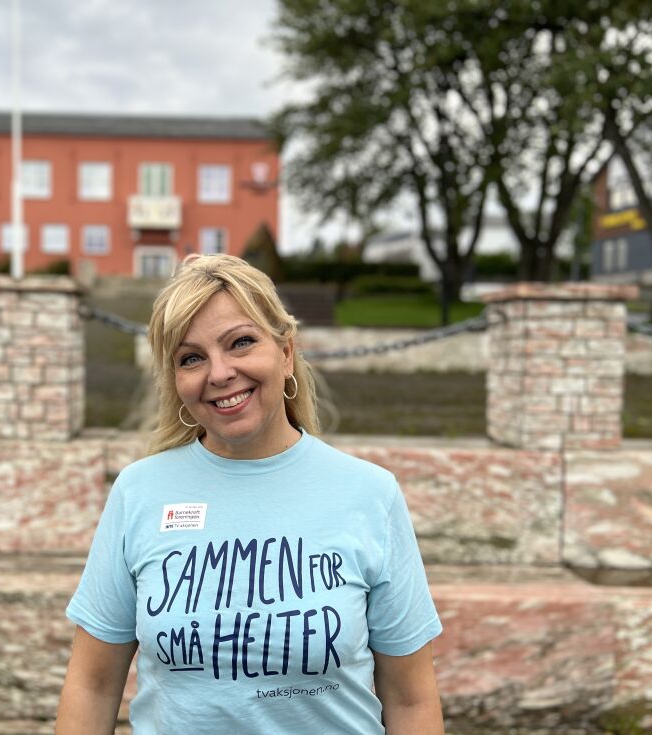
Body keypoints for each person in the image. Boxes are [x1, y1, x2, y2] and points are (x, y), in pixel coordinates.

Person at [56, 254, 444, 734]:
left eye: (240, 343)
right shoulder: (139, 492)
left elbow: (411, 700)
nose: (219, 373)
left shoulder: (369, 494)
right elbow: (92, 685)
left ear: (285, 353)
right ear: (176, 381)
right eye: (191, 357)